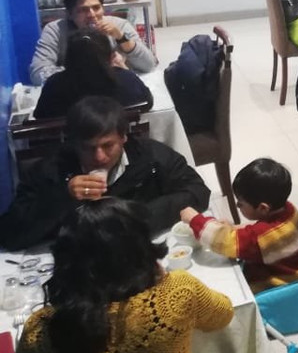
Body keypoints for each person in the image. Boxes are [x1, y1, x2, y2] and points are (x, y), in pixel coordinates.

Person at [0, 199, 233, 353]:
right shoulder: (178, 293)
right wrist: (163, 278)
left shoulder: (41, 333)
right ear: (141, 247)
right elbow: (224, 313)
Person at [0, 96, 210, 250]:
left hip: (138, 255)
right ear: (75, 144)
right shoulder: (52, 169)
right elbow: (10, 234)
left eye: (108, 145)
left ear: (123, 137)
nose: (99, 157)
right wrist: (64, 197)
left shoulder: (150, 157)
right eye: (88, 148)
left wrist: (137, 217)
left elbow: (198, 191)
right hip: (77, 263)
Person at [180, 158, 298, 293]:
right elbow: (262, 232)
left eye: (241, 203)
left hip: (283, 288)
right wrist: (234, 228)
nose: (237, 205)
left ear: (263, 208)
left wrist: (194, 219)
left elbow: (225, 241)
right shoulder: (289, 209)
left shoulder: (262, 238)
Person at [30, 0, 156, 85]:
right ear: (70, 14)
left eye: (96, 8)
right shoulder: (55, 30)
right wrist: (94, 70)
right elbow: (38, 73)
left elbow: (149, 65)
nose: (92, 15)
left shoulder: (119, 25)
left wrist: (122, 38)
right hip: (75, 93)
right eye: (83, 10)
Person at [33, 28, 154, 120]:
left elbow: (40, 116)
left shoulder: (54, 85)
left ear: (66, 60)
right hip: (121, 145)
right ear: (112, 57)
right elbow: (147, 103)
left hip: (70, 146)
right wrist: (124, 69)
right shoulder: (127, 80)